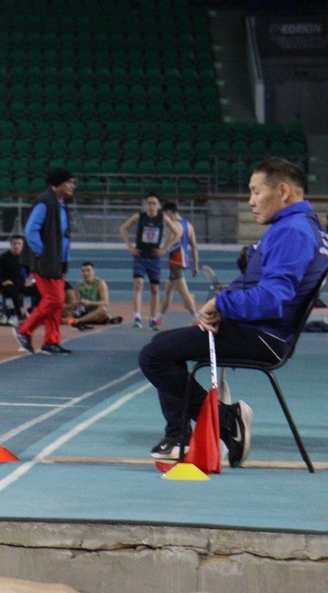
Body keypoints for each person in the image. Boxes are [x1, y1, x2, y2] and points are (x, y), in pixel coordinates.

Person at [138, 158, 328, 465]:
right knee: (167, 344)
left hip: (263, 336)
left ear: (282, 191)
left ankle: (224, 422)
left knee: (155, 354)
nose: (251, 201)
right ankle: (183, 433)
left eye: (256, 191)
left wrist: (220, 304)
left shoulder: (292, 231)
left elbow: (273, 298)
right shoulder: (305, 227)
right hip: (260, 329)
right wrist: (220, 311)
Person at [14, 169, 77, 356]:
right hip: (46, 261)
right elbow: (31, 230)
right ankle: (24, 330)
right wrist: (42, 252)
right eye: (70, 182)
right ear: (58, 184)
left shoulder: (61, 203)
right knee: (54, 299)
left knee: (57, 302)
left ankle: (51, 341)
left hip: (59, 260)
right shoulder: (44, 202)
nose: (73, 186)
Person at [119, 193, 182, 329]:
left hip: (154, 257)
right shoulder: (139, 216)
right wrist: (129, 245)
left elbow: (177, 233)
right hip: (140, 255)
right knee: (138, 283)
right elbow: (123, 228)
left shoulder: (163, 218)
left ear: (158, 206)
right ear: (145, 205)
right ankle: (137, 316)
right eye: (149, 203)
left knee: (154, 289)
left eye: (154, 203)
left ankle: (153, 319)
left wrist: (165, 248)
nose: (152, 206)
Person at [151, 201, 199, 326]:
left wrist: (163, 250)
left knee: (184, 293)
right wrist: (195, 265)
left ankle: (197, 317)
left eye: (165, 216)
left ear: (170, 213)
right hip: (181, 261)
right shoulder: (189, 225)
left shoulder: (174, 226)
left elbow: (169, 242)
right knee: (168, 291)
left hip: (176, 261)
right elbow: (194, 247)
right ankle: (158, 319)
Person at [0, 235, 39, 325]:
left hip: (21, 284)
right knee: (14, 290)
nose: (16, 246)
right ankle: (18, 316)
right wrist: (2, 281)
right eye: (14, 243)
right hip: (7, 285)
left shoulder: (25, 258)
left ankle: (34, 313)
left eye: (19, 244)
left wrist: (30, 280)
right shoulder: (5, 257)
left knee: (39, 289)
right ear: (11, 244)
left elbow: (33, 271)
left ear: (23, 245)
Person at [65, 262, 119, 327]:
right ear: (80, 273)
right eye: (83, 271)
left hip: (97, 312)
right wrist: (76, 304)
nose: (86, 273)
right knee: (64, 311)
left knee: (103, 310)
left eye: (88, 270)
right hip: (84, 312)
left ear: (93, 272)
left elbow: (105, 302)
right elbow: (77, 303)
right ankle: (81, 320)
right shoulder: (79, 285)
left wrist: (90, 303)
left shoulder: (100, 283)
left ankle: (77, 321)